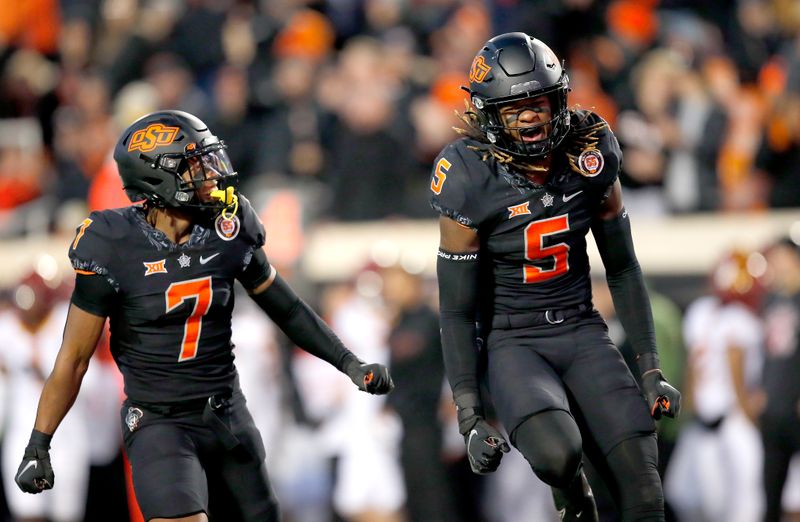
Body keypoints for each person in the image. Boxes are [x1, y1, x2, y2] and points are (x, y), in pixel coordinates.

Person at [13, 110, 394, 522]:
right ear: (157, 177)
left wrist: (349, 364)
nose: (212, 174)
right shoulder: (111, 243)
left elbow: (286, 308)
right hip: (159, 421)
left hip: (227, 414)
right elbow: (73, 359)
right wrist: (40, 441)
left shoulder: (228, 228)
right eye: (196, 165)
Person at [430, 33, 681, 522]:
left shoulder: (589, 148)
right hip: (516, 340)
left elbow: (624, 267)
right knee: (557, 454)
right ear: (488, 114)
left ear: (559, 97)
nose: (530, 116)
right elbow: (457, 310)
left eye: (539, 101)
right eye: (515, 108)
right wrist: (470, 416)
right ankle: (572, 493)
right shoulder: (466, 173)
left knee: (645, 493)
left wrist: (651, 368)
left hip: (583, 328)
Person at [665, 250, 765, 522]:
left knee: (703, 500)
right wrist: (749, 413)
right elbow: (736, 372)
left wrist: (688, 409)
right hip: (733, 416)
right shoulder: (741, 319)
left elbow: (693, 371)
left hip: (703, 419)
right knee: (744, 500)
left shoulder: (700, 312)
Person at [760, 237, 800, 522]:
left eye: (780, 259)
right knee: (771, 488)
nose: (775, 266)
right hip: (775, 407)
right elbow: (769, 352)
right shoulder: (772, 300)